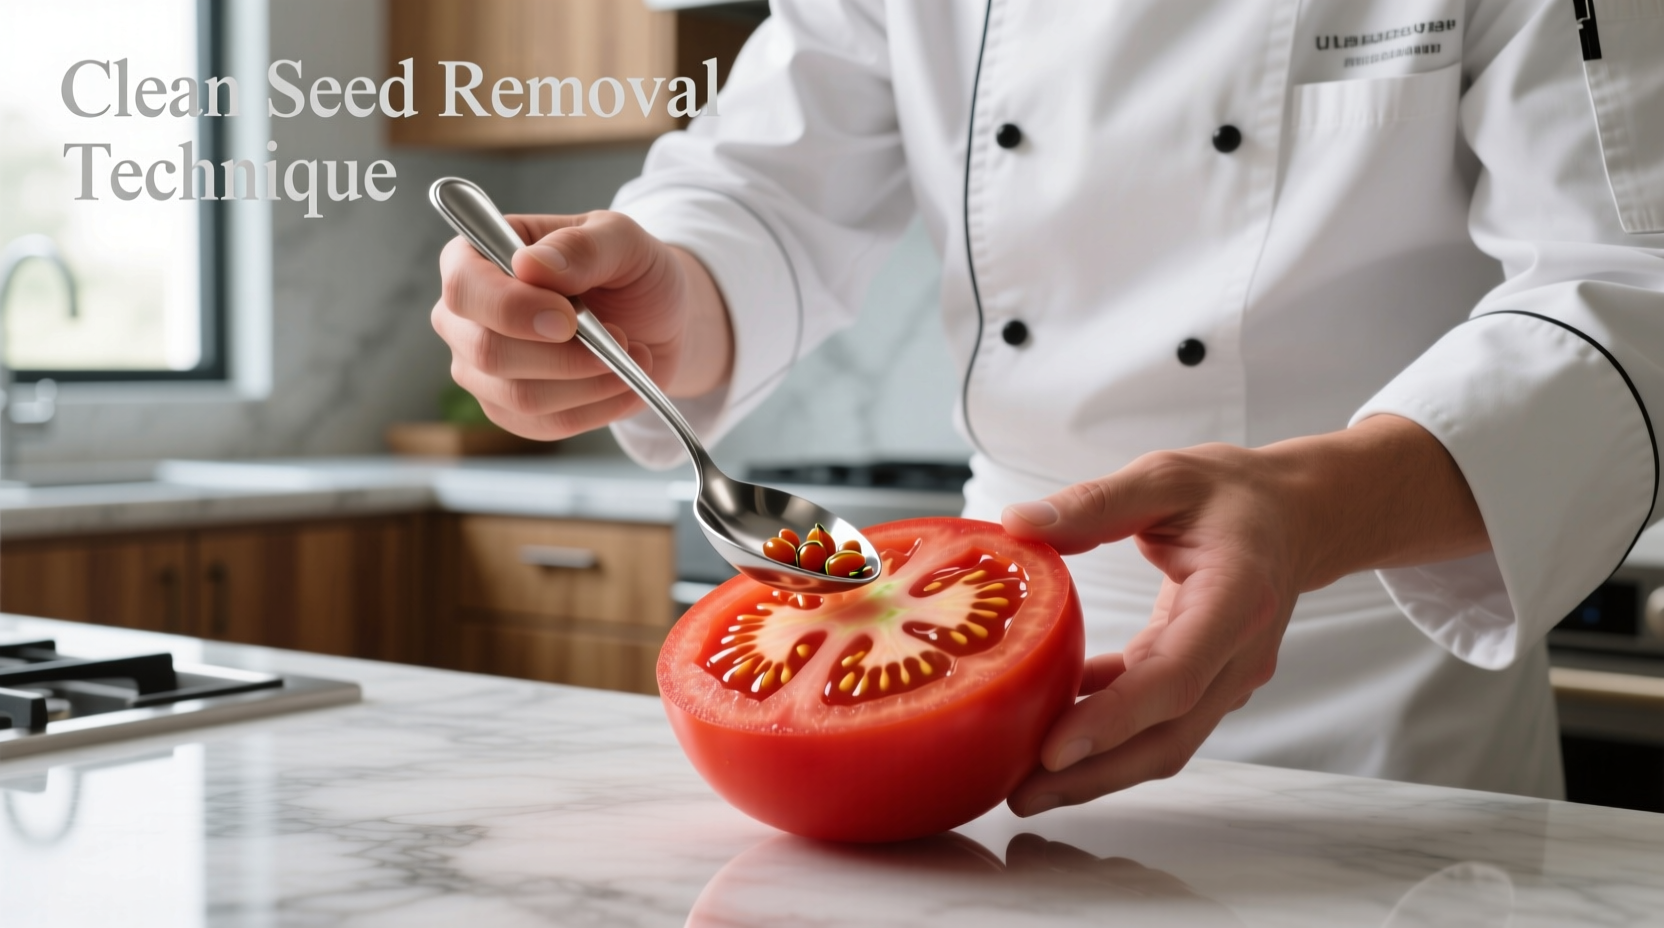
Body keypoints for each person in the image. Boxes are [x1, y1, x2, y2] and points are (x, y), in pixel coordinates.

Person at [431, 1, 1664, 813]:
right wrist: (658, 300)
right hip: (980, 706)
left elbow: (1626, 282)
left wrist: (1316, 509)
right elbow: (761, 190)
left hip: (1382, 718)